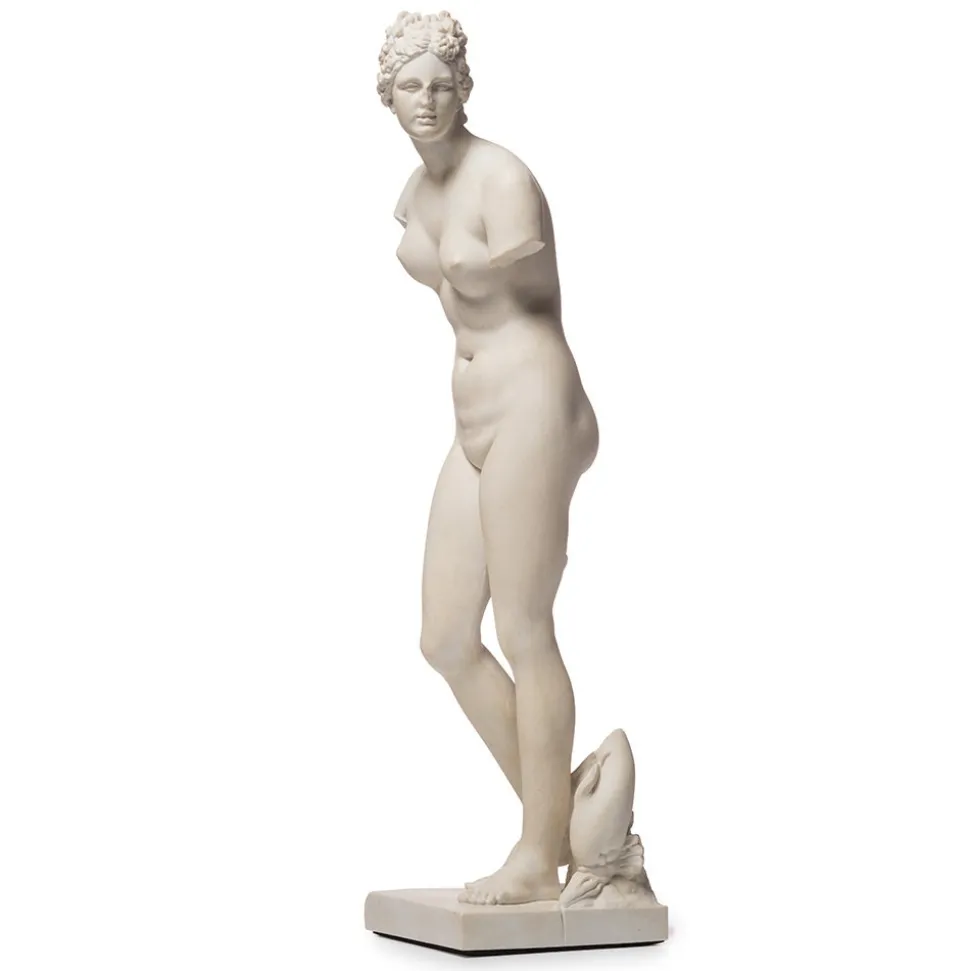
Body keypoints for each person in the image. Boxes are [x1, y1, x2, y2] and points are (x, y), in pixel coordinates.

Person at [378, 11, 599, 905]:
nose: (426, 100)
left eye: (441, 84)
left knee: (524, 627)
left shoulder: (503, 180)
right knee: (443, 636)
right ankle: (575, 826)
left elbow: (525, 283)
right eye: (410, 85)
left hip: (535, 402)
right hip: (470, 417)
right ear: (387, 94)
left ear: (464, 89)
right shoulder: (415, 192)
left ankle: (538, 851)